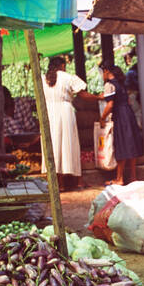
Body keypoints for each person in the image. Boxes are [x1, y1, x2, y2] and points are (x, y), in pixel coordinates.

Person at [44, 55, 94, 189]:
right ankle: (79, 181)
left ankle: (59, 184)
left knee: (54, 147)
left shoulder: (44, 79)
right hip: (65, 112)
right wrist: (98, 97)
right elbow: (82, 94)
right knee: (70, 144)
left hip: (49, 113)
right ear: (62, 66)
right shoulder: (68, 77)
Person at [98, 62, 143, 184]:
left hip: (120, 116)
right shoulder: (121, 84)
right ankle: (133, 177)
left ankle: (119, 178)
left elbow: (110, 105)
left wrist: (102, 118)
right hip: (129, 114)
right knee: (131, 144)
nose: (102, 75)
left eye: (102, 73)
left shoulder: (109, 85)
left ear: (106, 71)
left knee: (121, 145)